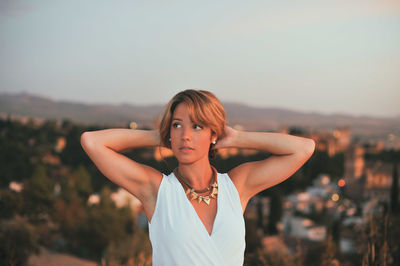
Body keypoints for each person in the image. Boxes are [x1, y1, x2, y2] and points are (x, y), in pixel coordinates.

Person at [80, 89, 315, 265]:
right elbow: (92, 142)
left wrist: (237, 139)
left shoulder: (237, 186)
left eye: (197, 127)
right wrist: (160, 136)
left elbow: (303, 149)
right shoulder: (157, 190)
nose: (186, 136)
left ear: (214, 133)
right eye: (177, 125)